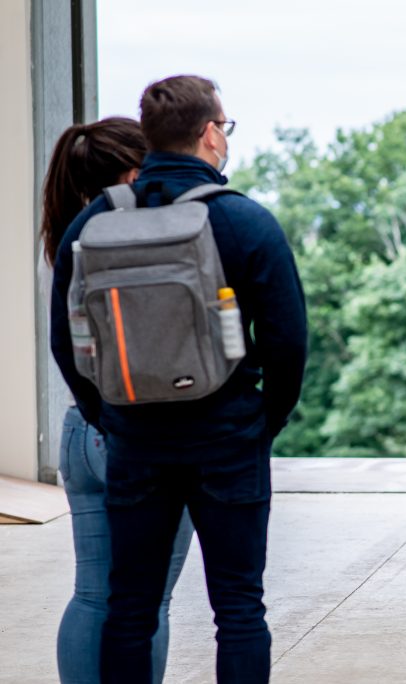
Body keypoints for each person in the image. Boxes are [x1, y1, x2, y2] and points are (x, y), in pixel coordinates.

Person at [50, 76, 308, 683]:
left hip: (136, 441)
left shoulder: (92, 224)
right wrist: (258, 423)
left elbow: (68, 343)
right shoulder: (245, 221)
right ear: (211, 132)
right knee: (239, 609)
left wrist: (110, 415)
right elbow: (288, 344)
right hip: (226, 439)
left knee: (129, 607)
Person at [40, 118, 195, 684]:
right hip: (140, 433)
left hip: (82, 429)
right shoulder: (142, 241)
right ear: (134, 172)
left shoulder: (68, 236)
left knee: (93, 595)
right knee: (147, 603)